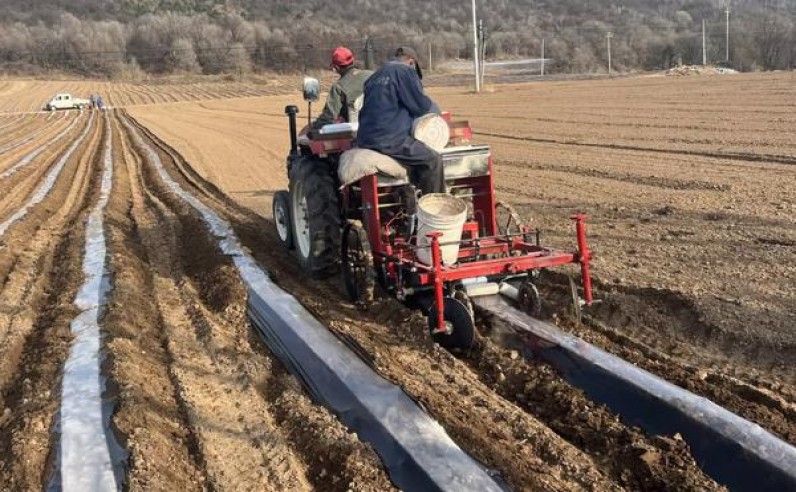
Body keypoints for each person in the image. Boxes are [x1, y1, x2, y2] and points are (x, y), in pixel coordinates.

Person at [356, 46, 443, 195]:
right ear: (411, 62)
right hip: (390, 140)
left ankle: (412, 198)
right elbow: (420, 106)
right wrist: (436, 113)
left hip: (366, 138)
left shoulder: (374, 76)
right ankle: (431, 209)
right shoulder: (405, 72)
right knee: (433, 161)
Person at [310, 47, 373, 131]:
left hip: (358, 134)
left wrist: (312, 130)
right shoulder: (373, 75)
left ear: (335, 67)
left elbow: (328, 117)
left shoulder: (339, 87)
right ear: (353, 61)